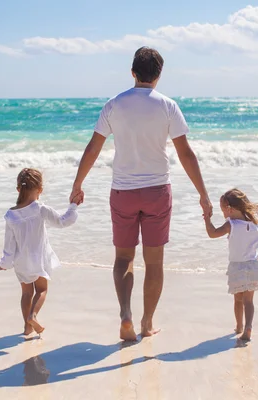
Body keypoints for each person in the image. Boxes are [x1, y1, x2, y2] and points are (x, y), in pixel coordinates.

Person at [69, 47, 212, 341]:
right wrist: (203, 194)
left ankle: (125, 314)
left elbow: (93, 148)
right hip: (157, 191)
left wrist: (77, 184)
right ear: (158, 75)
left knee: (123, 258)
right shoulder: (168, 106)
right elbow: (185, 153)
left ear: (132, 73)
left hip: (123, 191)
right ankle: (147, 323)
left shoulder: (114, 105)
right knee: (155, 262)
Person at [0, 168, 81, 335]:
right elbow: (62, 221)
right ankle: (33, 316)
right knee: (42, 290)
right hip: (39, 258)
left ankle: (27, 328)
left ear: (18, 189)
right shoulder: (40, 208)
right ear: (40, 190)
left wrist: (5, 263)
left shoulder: (10, 215)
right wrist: (73, 206)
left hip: (20, 261)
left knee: (26, 293)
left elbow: (9, 243)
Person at [203, 188, 258, 342]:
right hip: (253, 266)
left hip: (237, 267)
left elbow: (212, 233)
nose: (223, 214)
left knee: (238, 300)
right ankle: (248, 327)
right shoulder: (256, 224)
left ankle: (239, 326)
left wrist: (207, 219)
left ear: (229, 209)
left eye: (222, 210)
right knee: (249, 301)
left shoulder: (231, 225)